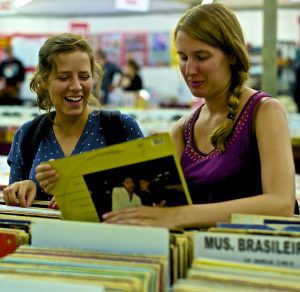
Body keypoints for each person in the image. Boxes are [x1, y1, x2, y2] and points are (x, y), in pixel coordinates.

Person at [102, 3, 296, 228]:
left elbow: (281, 204)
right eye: (183, 57)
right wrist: (79, 194)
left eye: (201, 57)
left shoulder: (264, 112)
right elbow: (153, 202)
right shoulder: (182, 130)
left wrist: (181, 215)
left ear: (232, 55)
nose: (190, 70)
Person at [3, 33, 143, 208]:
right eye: (63, 77)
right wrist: (23, 188)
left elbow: (149, 197)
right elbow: (16, 209)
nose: (76, 86)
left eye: (84, 77)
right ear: (44, 80)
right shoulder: (27, 135)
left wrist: (92, 193)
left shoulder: (120, 127)